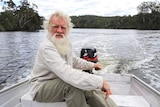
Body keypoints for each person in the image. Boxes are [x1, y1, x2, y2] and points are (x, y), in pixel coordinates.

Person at [29, 10, 112, 107]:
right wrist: (100, 82)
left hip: (60, 81)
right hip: (41, 88)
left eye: (63, 27)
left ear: (67, 29)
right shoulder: (46, 47)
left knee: (87, 86)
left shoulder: (65, 43)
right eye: (55, 26)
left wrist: (92, 65)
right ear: (48, 28)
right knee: (72, 85)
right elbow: (66, 73)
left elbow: (74, 60)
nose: (59, 30)